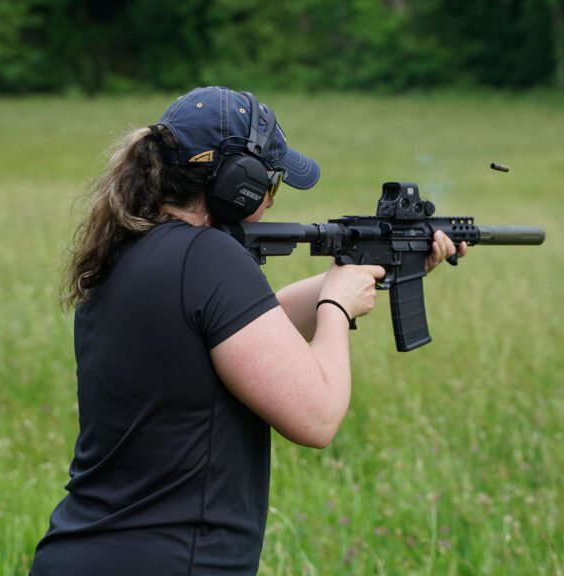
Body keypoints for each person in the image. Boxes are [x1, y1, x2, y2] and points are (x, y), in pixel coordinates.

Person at [29, 86, 464, 575]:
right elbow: (317, 419)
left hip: (79, 555)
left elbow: (247, 332)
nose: (271, 201)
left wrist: (363, 272)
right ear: (238, 182)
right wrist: (336, 310)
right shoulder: (211, 257)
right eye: (270, 184)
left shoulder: (126, 256)